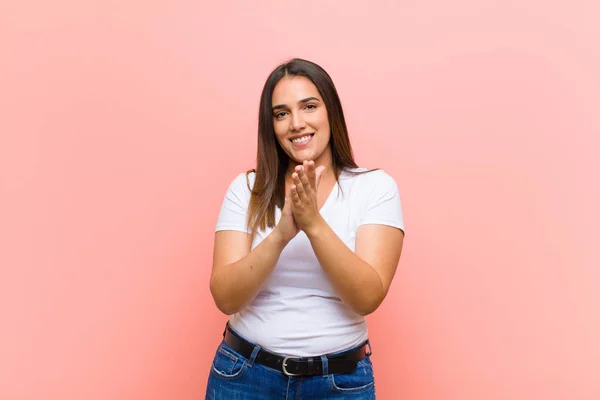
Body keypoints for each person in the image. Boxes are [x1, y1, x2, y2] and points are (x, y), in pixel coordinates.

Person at [206, 58, 405, 399]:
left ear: (331, 112)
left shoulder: (374, 188)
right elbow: (225, 297)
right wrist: (282, 233)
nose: (296, 124)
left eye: (309, 107)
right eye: (281, 114)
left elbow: (367, 297)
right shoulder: (247, 189)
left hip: (339, 383)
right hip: (244, 377)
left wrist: (312, 222)